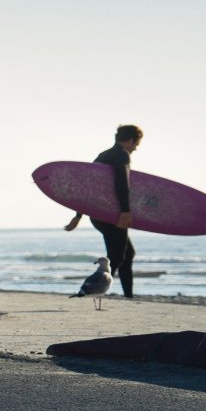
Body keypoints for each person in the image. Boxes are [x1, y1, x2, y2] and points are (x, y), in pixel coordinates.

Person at [64, 124, 143, 296]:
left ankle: (127, 295)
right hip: (113, 213)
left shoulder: (104, 155)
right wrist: (125, 211)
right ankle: (98, 291)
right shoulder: (122, 155)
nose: (136, 147)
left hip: (98, 214)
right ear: (130, 140)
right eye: (136, 143)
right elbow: (122, 183)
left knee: (126, 254)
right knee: (118, 256)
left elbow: (87, 186)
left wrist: (78, 215)